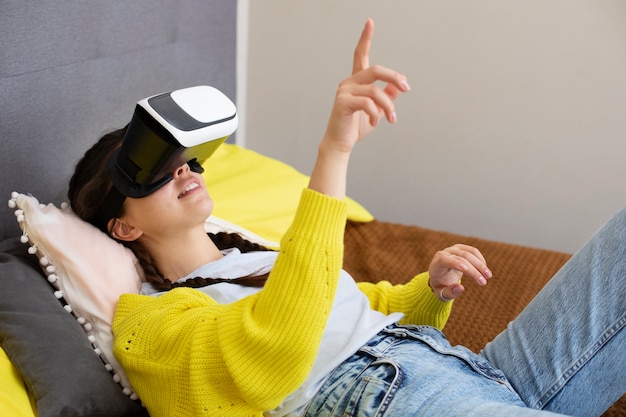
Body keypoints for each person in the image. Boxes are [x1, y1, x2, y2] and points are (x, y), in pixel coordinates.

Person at [68, 19, 624, 417]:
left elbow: (363, 306)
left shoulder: (257, 257)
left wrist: (429, 291)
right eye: (160, 173)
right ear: (124, 226)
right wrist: (333, 153)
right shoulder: (150, 325)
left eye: (190, 161)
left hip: (459, 371)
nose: (187, 172)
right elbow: (280, 345)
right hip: (371, 394)